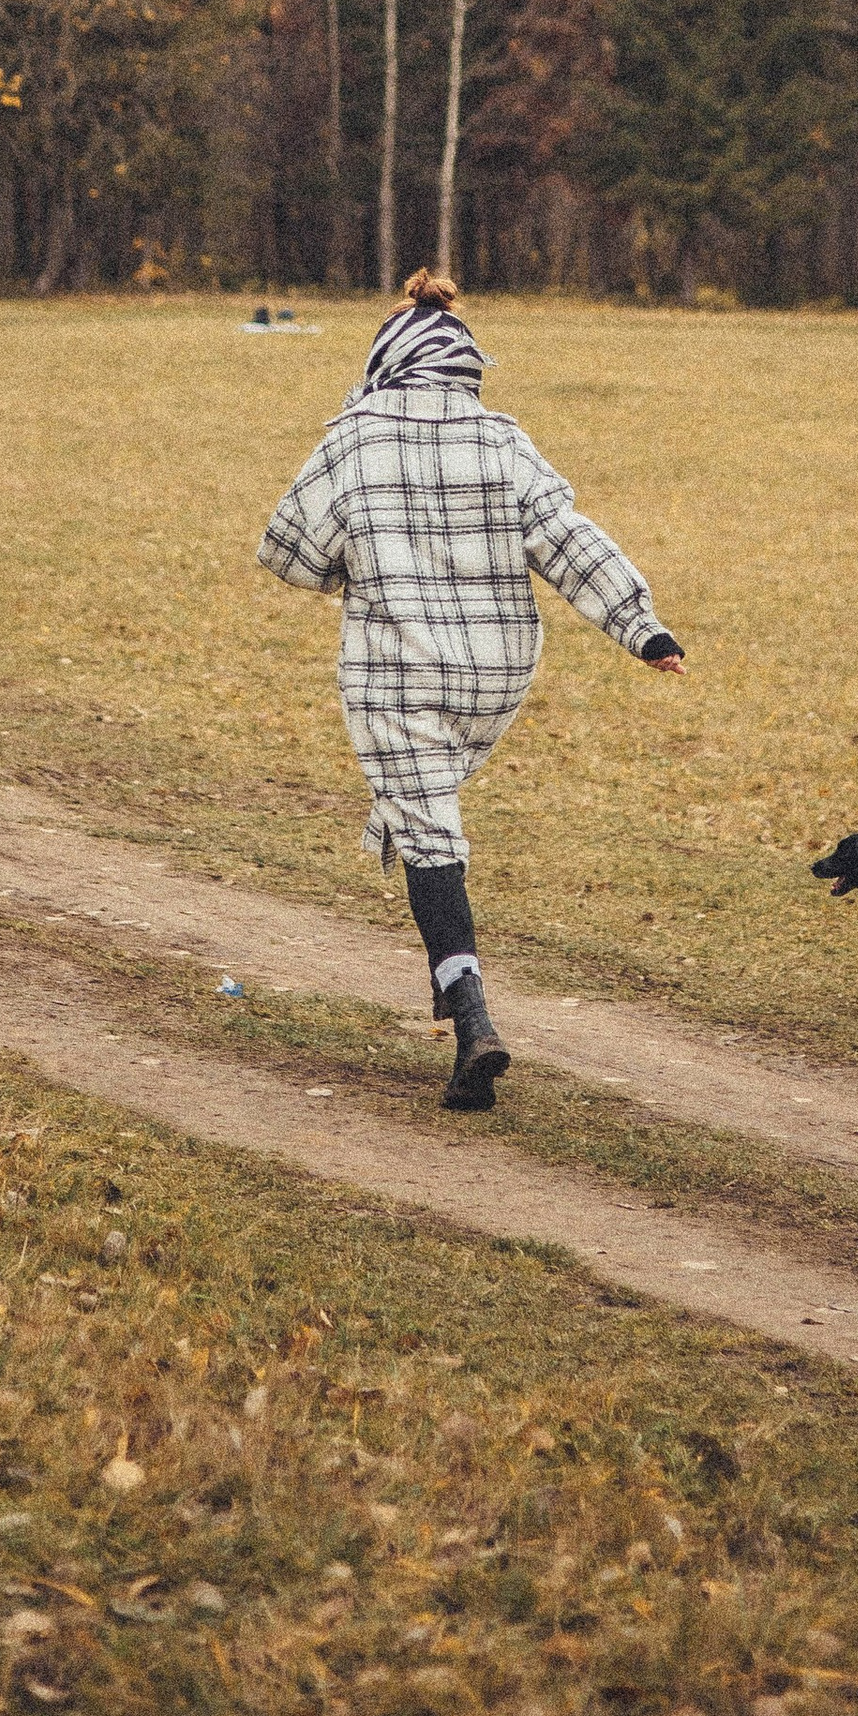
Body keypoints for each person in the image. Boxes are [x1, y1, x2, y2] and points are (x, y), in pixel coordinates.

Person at [257, 267, 685, 1110]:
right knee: (428, 804)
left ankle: (470, 1017)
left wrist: (360, 562)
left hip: (397, 669)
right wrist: (645, 629)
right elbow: (568, 538)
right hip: (495, 676)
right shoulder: (503, 442)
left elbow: (286, 554)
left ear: (386, 360)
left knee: (430, 839)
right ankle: (453, 982)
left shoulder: (352, 437)